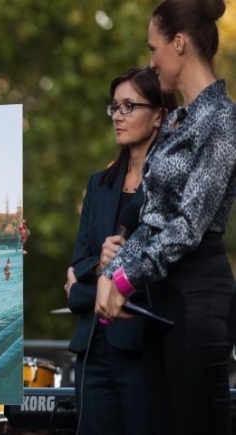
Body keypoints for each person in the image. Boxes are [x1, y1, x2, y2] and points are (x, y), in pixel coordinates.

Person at [95, 1, 236, 433]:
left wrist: (123, 278)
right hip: (161, 297)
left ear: (179, 44)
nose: (150, 59)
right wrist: (112, 271)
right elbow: (152, 218)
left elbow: (187, 226)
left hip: (198, 296)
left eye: (154, 48)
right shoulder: (176, 121)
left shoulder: (224, 120)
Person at [65, 65, 176, 435]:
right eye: (114, 107)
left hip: (145, 353)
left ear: (158, 115)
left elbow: (170, 275)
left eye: (129, 106)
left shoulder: (169, 188)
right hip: (92, 352)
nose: (118, 116)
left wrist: (97, 277)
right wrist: (98, 266)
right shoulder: (98, 185)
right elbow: (77, 274)